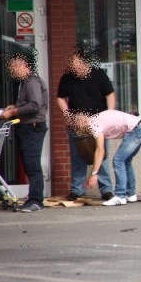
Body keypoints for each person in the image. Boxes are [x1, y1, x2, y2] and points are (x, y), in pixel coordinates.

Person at [56, 45, 116, 201]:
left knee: (101, 155)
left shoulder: (98, 74)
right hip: (77, 123)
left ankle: (106, 189)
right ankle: (77, 189)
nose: (74, 67)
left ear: (84, 63)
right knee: (77, 157)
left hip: (98, 121)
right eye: (72, 64)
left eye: (76, 63)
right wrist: (66, 112)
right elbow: (60, 97)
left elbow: (110, 95)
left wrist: (109, 114)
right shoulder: (67, 77)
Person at [1, 50, 49, 213]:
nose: (13, 69)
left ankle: (36, 200)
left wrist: (14, 112)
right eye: (12, 66)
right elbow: (28, 104)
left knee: (32, 164)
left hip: (33, 126)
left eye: (16, 66)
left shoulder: (31, 82)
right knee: (28, 164)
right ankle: (32, 198)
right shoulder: (24, 82)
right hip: (27, 126)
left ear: (25, 66)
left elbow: (35, 105)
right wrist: (14, 107)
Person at [68, 110, 141, 206]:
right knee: (125, 161)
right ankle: (130, 194)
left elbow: (100, 150)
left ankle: (120, 196)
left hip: (136, 130)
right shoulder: (95, 120)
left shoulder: (93, 125)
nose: (78, 130)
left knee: (118, 160)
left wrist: (94, 174)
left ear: (83, 121)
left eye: (77, 126)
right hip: (140, 128)